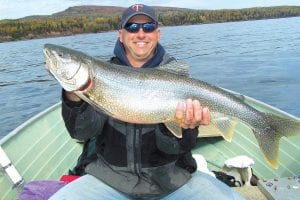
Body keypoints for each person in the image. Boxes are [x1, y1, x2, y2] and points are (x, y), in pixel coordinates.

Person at [50, 4, 244, 200]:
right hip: (109, 179)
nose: (140, 33)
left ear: (157, 34)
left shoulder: (176, 80)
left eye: (148, 27)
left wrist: (179, 127)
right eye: (132, 27)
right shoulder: (102, 77)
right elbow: (82, 133)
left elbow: (180, 147)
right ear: (121, 35)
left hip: (172, 180)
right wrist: (73, 96)